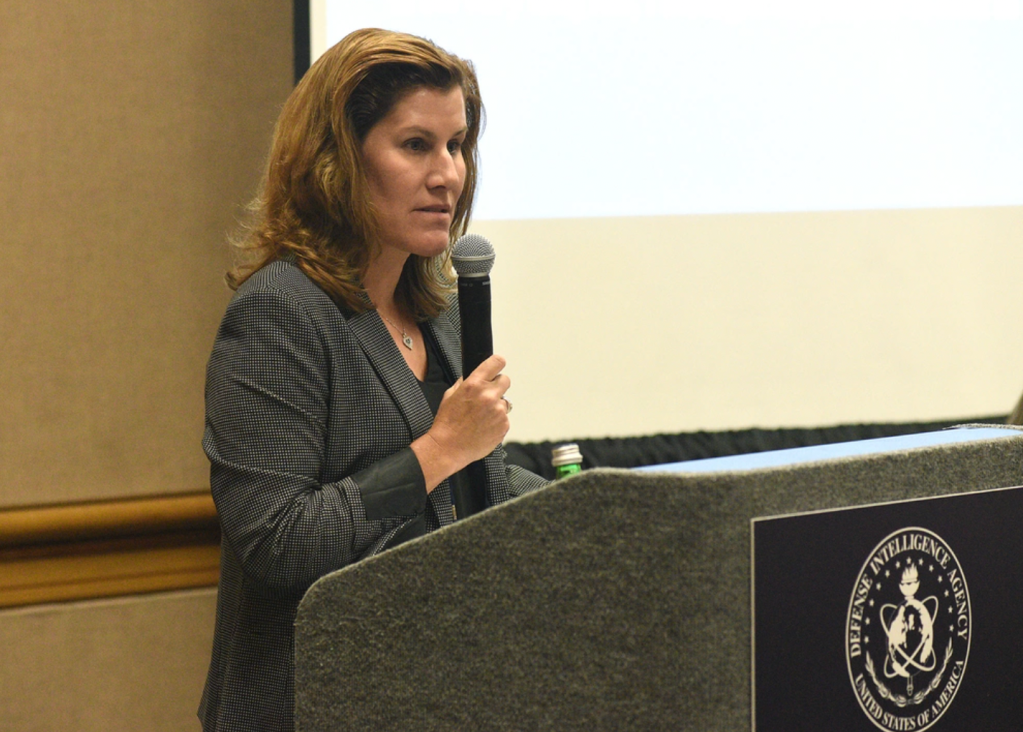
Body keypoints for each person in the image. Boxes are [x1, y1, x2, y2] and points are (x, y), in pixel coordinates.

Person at [197, 28, 547, 731]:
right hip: (312, 703)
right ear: (335, 162)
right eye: (415, 145)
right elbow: (279, 541)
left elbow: (472, 498)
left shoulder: (439, 309)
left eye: (457, 145)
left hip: (433, 695)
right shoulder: (279, 313)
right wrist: (439, 449)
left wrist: (596, 502)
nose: (447, 173)